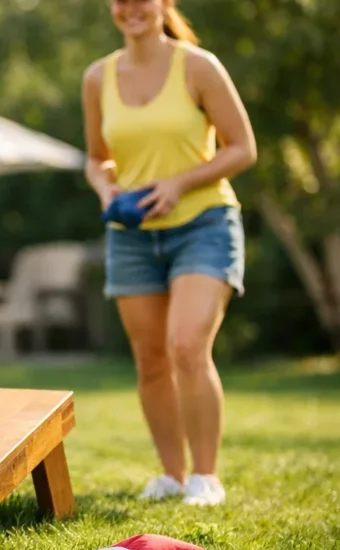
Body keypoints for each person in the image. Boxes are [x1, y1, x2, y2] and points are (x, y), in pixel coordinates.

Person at [80, 0, 257, 506]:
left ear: (163, 4)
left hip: (204, 224)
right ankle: (173, 476)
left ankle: (206, 477)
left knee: (186, 346)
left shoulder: (198, 66)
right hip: (132, 234)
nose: (131, 7)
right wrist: (104, 189)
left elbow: (242, 147)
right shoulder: (97, 77)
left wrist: (181, 183)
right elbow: (97, 158)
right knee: (151, 360)